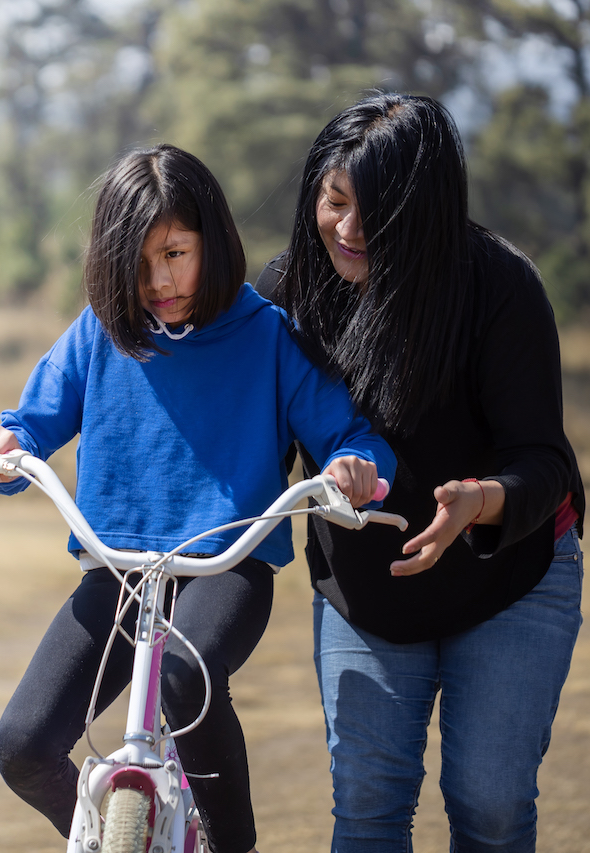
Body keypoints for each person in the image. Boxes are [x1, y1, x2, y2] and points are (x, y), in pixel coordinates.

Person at [0, 143, 396, 853]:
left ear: (211, 241)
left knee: (187, 674)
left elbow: (353, 438)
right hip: (118, 569)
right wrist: (4, 451)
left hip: (225, 569)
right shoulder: (104, 332)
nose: (158, 280)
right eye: (137, 263)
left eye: (175, 253)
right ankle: (114, 833)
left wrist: (354, 464)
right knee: (24, 745)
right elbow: (28, 426)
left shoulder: (268, 335)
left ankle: (231, 846)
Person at [255, 92, 585, 853]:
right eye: (334, 201)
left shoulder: (499, 287)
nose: (347, 229)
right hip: (368, 593)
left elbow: (545, 460)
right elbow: (251, 443)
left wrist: (479, 500)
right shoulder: (287, 295)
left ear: (426, 211)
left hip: (511, 573)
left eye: (376, 212)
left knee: (491, 804)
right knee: (368, 803)